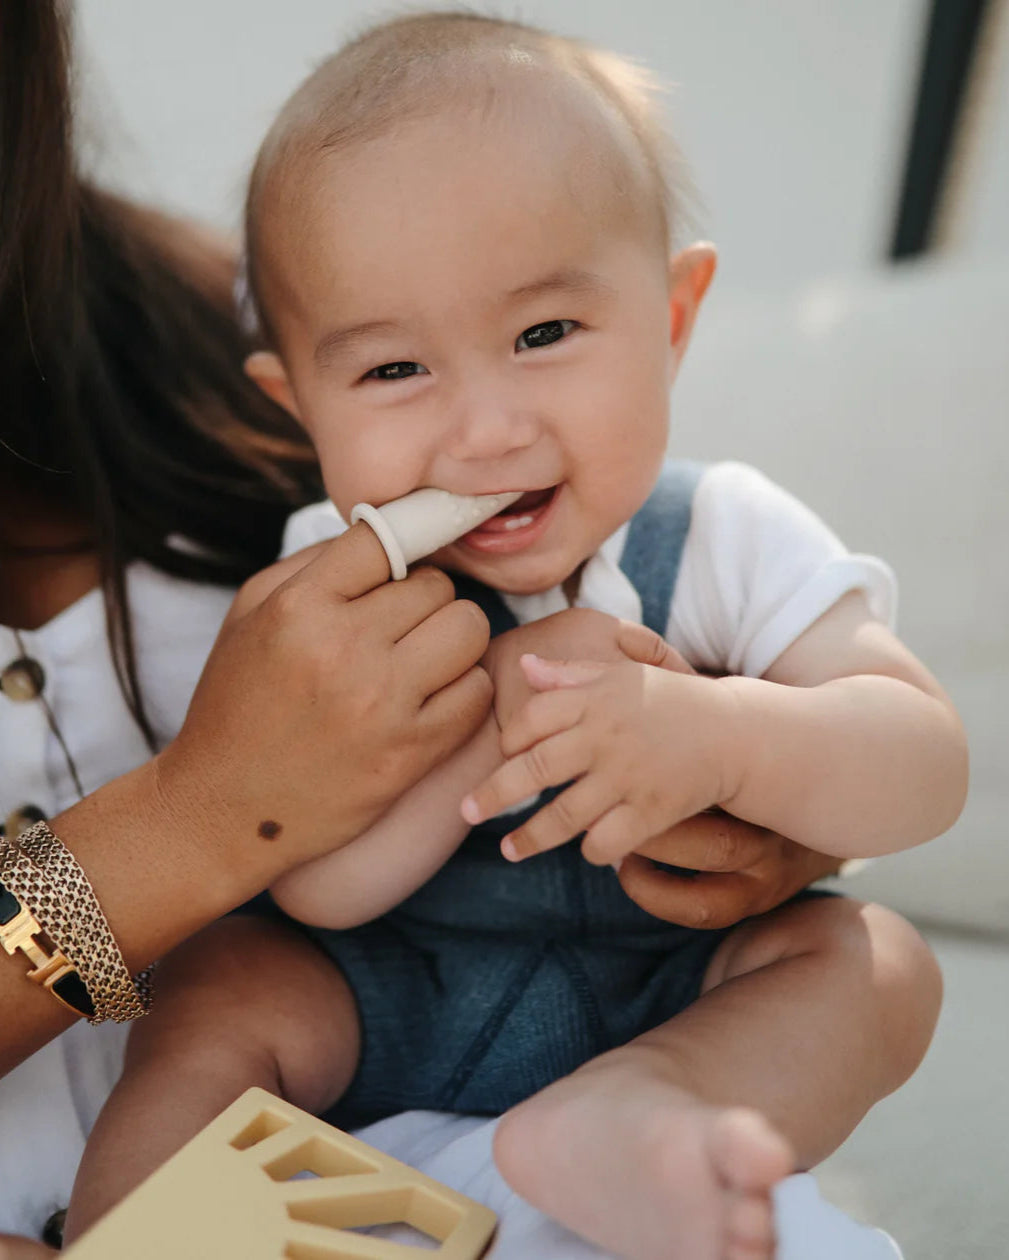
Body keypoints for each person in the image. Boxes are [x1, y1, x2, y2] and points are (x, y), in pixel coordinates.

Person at [58, 12, 963, 1260]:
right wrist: (491, 696)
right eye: (391, 372)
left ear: (673, 317)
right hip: (381, 998)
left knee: (875, 963)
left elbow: (921, 768)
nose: (484, 429)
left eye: (544, 335)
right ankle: (132, 1224)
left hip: (661, 994)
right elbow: (320, 884)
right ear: (297, 404)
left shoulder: (721, 534)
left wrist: (719, 734)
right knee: (222, 985)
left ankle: (636, 1117)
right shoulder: (330, 585)